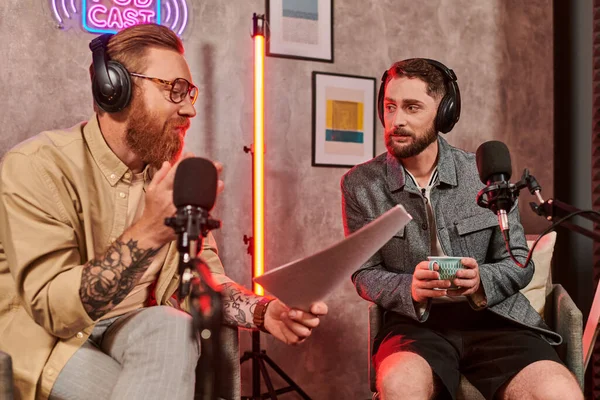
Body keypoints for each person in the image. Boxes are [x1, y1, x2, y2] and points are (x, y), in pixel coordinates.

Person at [0, 23, 327, 400]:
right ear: (114, 90)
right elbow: (53, 310)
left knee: (173, 325)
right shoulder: (37, 166)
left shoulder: (172, 177)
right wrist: (149, 231)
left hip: (133, 328)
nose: (189, 109)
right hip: (50, 342)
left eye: (190, 93)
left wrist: (264, 313)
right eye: (174, 90)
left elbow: (202, 278)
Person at [340, 58, 582, 400]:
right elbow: (364, 272)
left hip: (497, 321)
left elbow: (517, 263)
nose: (397, 121)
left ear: (444, 114)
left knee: (559, 392)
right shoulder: (360, 185)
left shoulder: (484, 174)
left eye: (412, 107)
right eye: (390, 107)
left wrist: (480, 280)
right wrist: (410, 286)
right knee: (399, 385)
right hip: (416, 327)